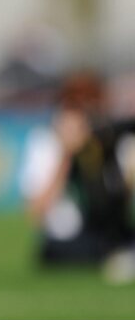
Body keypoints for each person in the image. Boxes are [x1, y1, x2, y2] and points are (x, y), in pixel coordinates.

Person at [20, 71, 135, 280]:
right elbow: (36, 211)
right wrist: (67, 154)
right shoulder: (45, 143)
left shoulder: (107, 142)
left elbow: (118, 204)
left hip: (105, 231)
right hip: (67, 239)